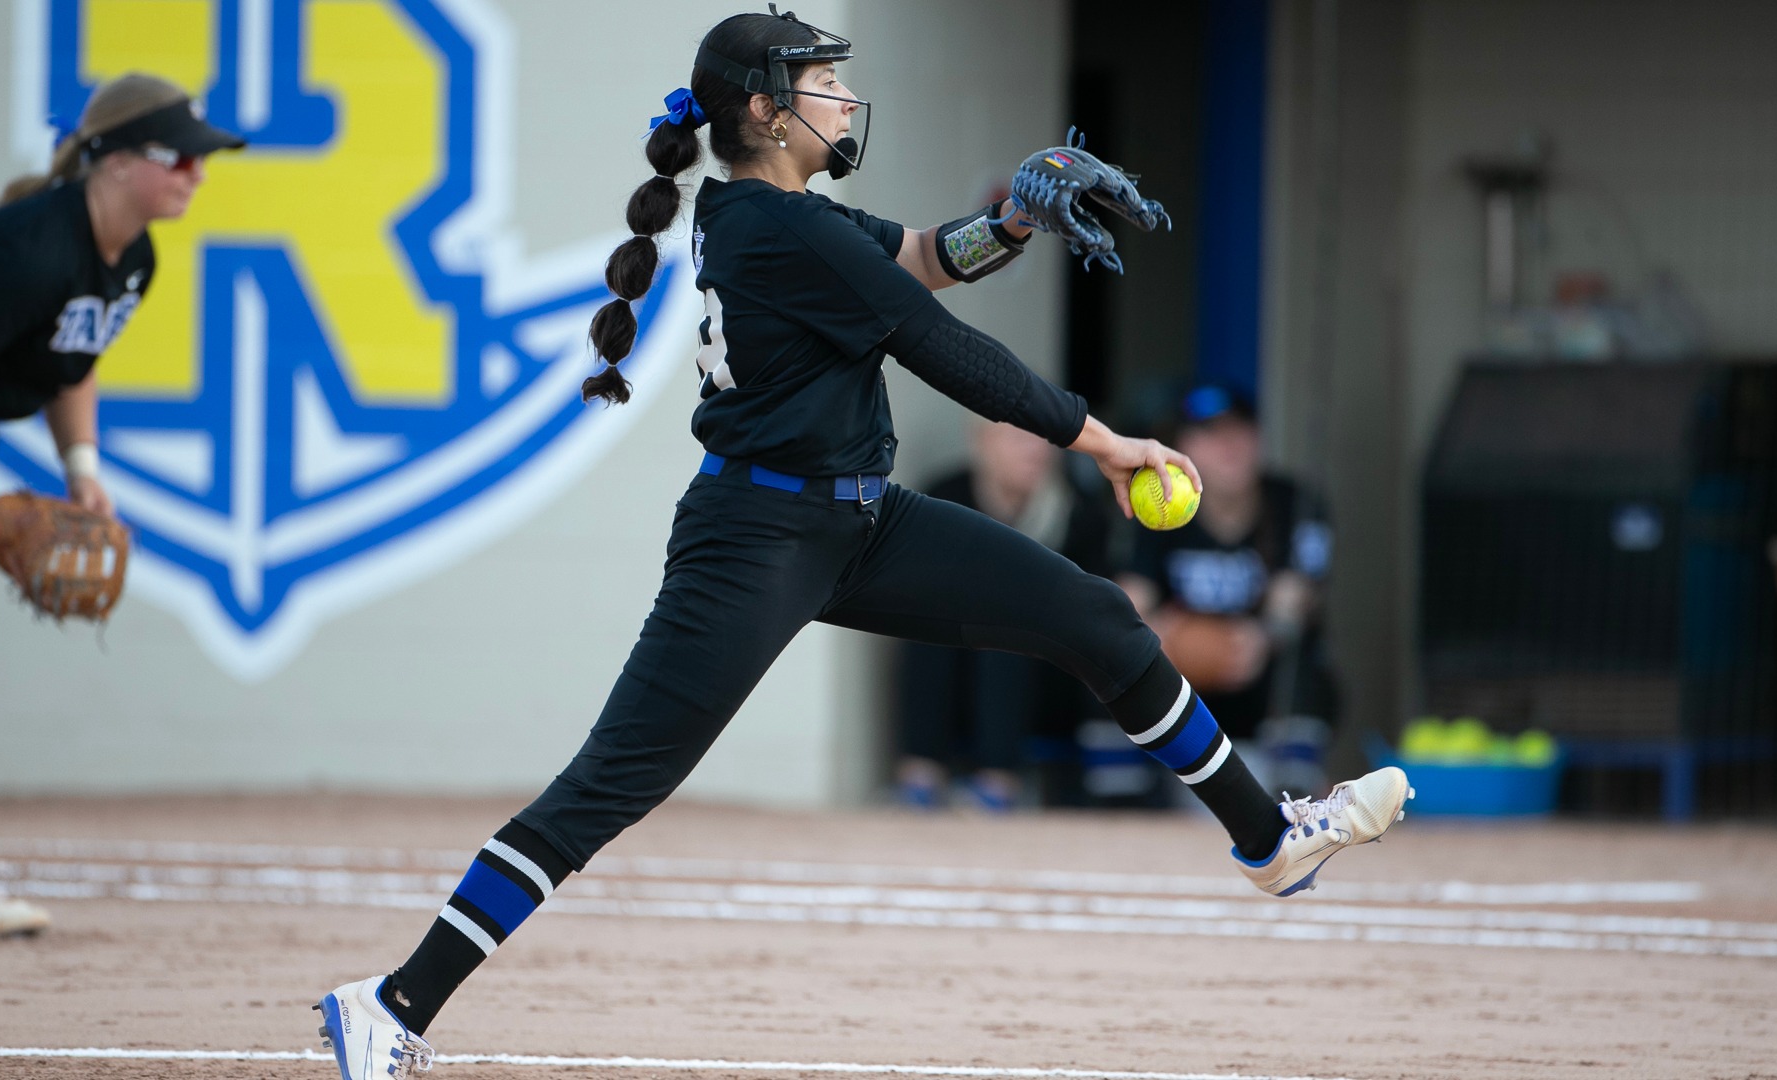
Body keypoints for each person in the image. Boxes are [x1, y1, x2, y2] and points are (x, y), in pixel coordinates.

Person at [313, 11, 1412, 1077]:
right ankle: (393, 1002)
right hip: (758, 536)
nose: (842, 92)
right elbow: (940, 347)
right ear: (764, 108)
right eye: (821, 79)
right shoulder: (774, 225)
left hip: (856, 519)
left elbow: (926, 257)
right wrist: (1103, 441)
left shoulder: (788, 216)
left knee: (1093, 616)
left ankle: (1269, 840)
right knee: (612, 784)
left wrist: (1015, 220)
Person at [0, 74, 244, 935]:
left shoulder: (133, 255)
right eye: (179, 156)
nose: (196, 174)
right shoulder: (35, 245)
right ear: (112, 161)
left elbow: (76, 356)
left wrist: (82, 467)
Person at [1119, 385, 1339, 797]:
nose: (1229, 448)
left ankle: (1299, 799)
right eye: (1212, 435)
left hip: (1262, 679)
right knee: (1111, 665)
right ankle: (1123, 804)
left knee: (1308, 673)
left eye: (1240, 433)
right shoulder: (1154, 507)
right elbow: (1131, 601)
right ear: (1184, 449)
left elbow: (1297, 600)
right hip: (1177, 682)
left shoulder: (1293, 502)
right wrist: (1162, 638)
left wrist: (1263, 638)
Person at [893, 421, 1117, 810]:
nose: (1035, 450)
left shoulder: (1078, 511)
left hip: (1051, 680)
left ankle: (997, 782)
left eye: (1042, 437)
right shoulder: (945, 497)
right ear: (982, 443)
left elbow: (1092, 608)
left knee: (1007, 627)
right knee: (927, 626)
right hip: (961, 676)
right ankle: (921, 775)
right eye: (1019, 437)